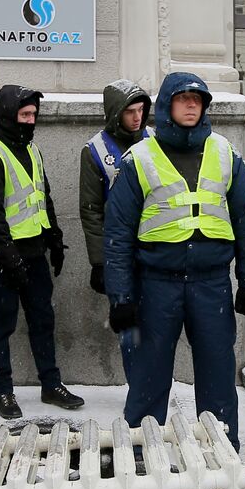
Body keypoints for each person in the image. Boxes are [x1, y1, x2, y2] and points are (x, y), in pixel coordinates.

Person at [103, 72, 245, 449]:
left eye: (198, 99)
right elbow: (118, 235)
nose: (192, 105)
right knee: (149, 378)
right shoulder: (140, 159)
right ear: (166, 106)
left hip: (211, 284)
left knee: (218, 377)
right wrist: (121, 297)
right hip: (156, 286)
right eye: (183, 98)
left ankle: (221, 452)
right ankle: (142, 456)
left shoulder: (225, 154)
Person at [0, 85, 83, 419]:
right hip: (1, 258)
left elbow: (42, 198)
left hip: (33, 255)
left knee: (43, 321)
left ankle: (51, 384)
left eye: (34, 114)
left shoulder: (31, 150)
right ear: (7, 114)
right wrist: (10, 259)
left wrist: (55, 240)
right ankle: (3, 392)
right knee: (1, 326)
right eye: (24, 115)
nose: (31, 121)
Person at [79, 80, 151, 379]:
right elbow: (91, 210)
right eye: (130, 111)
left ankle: (154, 382)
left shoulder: (154, 141)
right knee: (129, 323)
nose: (137, 117)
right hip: (120, 253)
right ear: (114, 113)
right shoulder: (95, 151)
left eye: (141, 110)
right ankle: (138, 384)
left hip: (156, 246)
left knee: (157, 321)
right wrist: (99, 262)